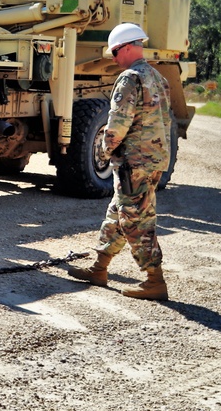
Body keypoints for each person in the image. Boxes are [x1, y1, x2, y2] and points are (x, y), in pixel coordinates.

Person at [67, 22, 172, 300]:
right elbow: (165, 121)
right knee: (118, 214)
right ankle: (99, 269)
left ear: (127, 48)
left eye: (115, 52)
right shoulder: (157, 77)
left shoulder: (130, 78)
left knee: (136, 219)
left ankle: (154, 281)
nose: (113, 59)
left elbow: (118, 122)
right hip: (154, 158)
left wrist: (105, 149)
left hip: (134, 162)